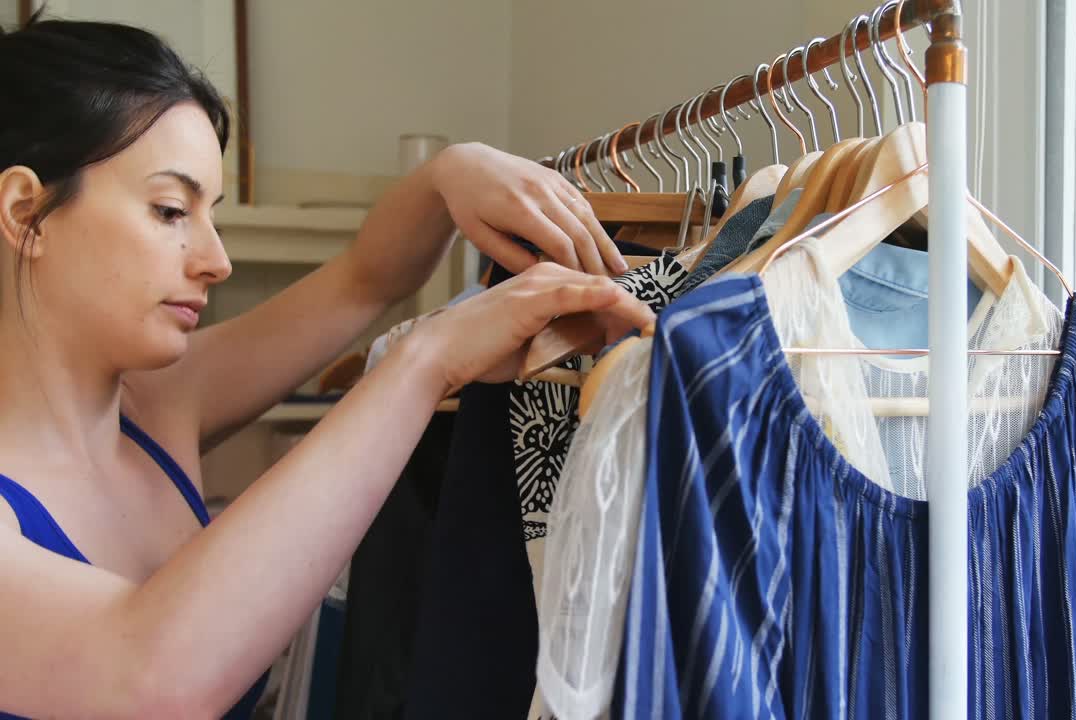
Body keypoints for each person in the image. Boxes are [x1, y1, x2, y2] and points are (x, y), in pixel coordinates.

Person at [0, 16, 653, 719]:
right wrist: (425, 361)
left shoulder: (159, 405)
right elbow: (152, 680)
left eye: (210, 215)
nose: (216, 261)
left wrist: (445, 179)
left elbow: (362, 280)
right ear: (23, 210)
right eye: (169, 210)